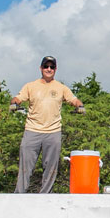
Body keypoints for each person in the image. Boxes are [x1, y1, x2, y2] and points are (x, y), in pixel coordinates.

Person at [10, 55, 83, 193]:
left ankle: (45, 195)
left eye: (51, 67)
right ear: (41, 68)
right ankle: (19, 195)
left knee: (51, 167)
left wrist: (80, 105)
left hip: (53, 132)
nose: (48, 69)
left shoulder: (61, 87)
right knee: (26, 167)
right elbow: (18, 97)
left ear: (55, 69)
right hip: (32, 130)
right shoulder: (30, 86)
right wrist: (14, 103)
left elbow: (74, 99)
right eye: (46, 66)